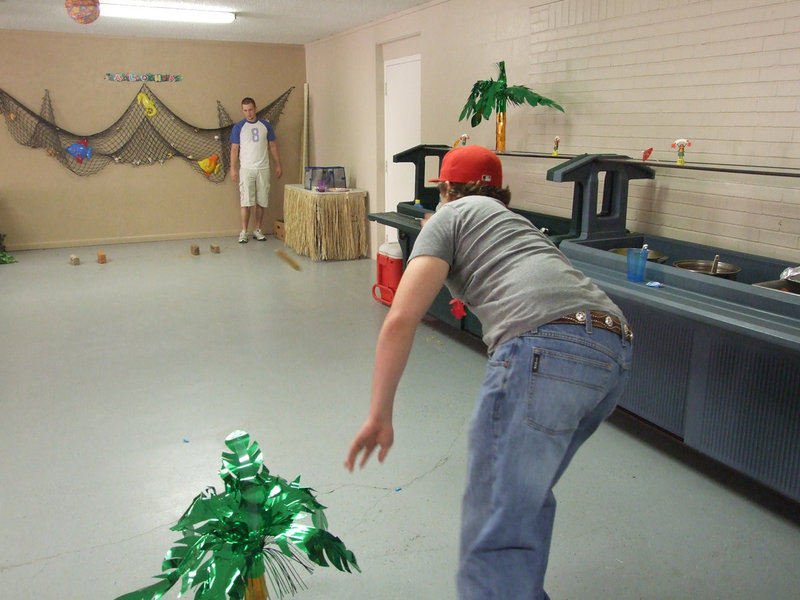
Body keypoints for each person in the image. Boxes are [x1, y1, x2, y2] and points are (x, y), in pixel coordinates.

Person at [345, 145, 633, 599]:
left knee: (497, 517)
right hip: (611, 347)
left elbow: (401, 317)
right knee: (524, 496)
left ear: (444, 189)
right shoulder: (514, 223)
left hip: (543, 345)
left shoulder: (447, 217)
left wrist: (379, 414)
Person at [230, 97, 283, 243]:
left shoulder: (265, 126)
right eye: (245, 110)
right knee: (246, 201)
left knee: (260, 201)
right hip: (246, 169)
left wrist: (278, 164)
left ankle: (258, 229)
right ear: (243, 111)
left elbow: (272, 146)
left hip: (263, 168)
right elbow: (234, 149)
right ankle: (244, 232)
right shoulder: (239, 127)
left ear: (256, 108)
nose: (248, 113)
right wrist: (233, 168)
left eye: (251, 109)